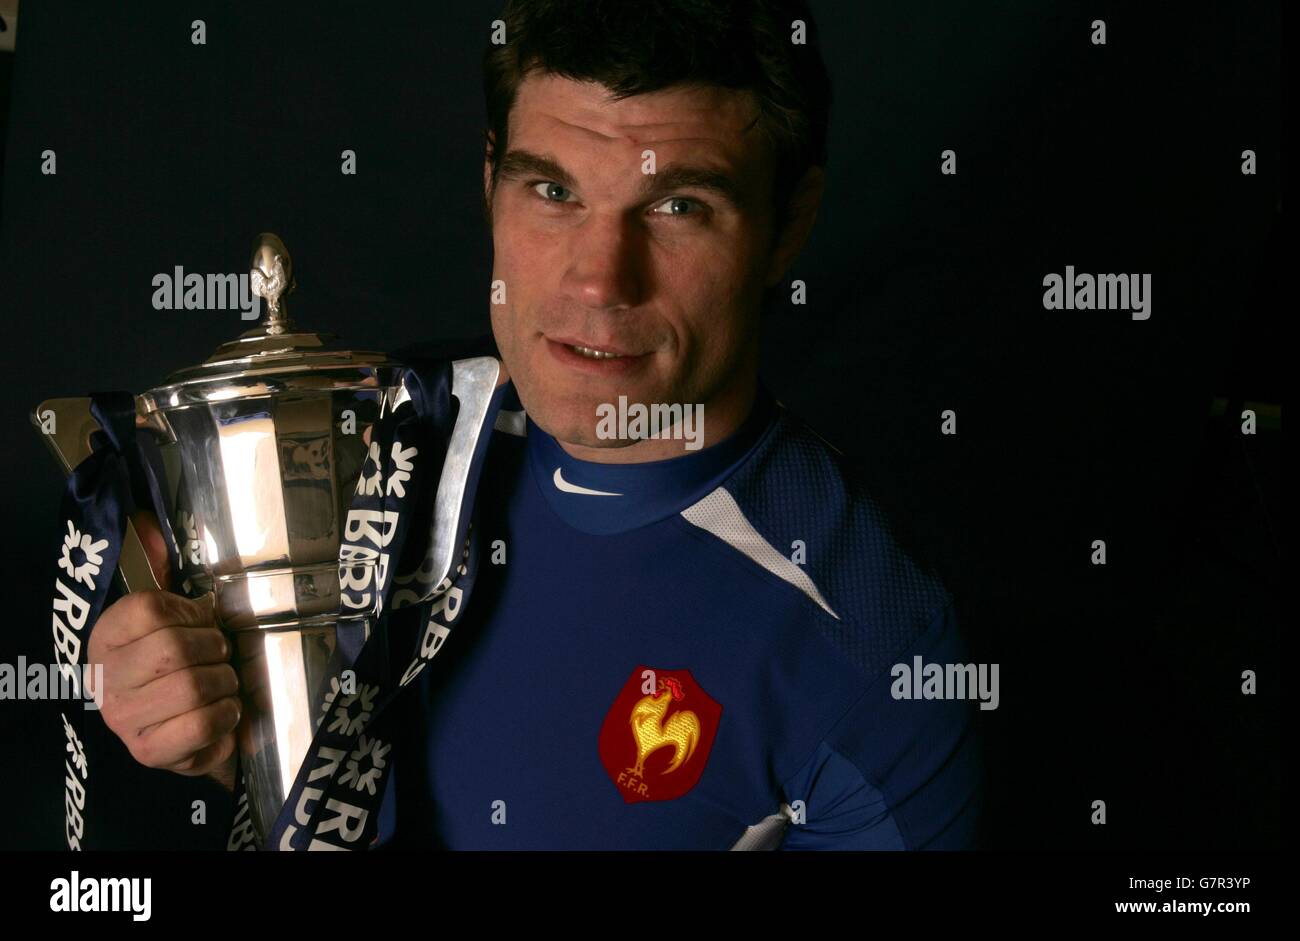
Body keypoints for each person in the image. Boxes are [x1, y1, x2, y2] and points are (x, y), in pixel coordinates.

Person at [89, 0, 982, 850]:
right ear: (490, 183)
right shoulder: (387, 429)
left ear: (790, 223)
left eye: (679, 206)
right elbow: (308, 780)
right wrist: (205, 719)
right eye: (553, 190)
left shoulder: (874, 648)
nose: (599, 282)